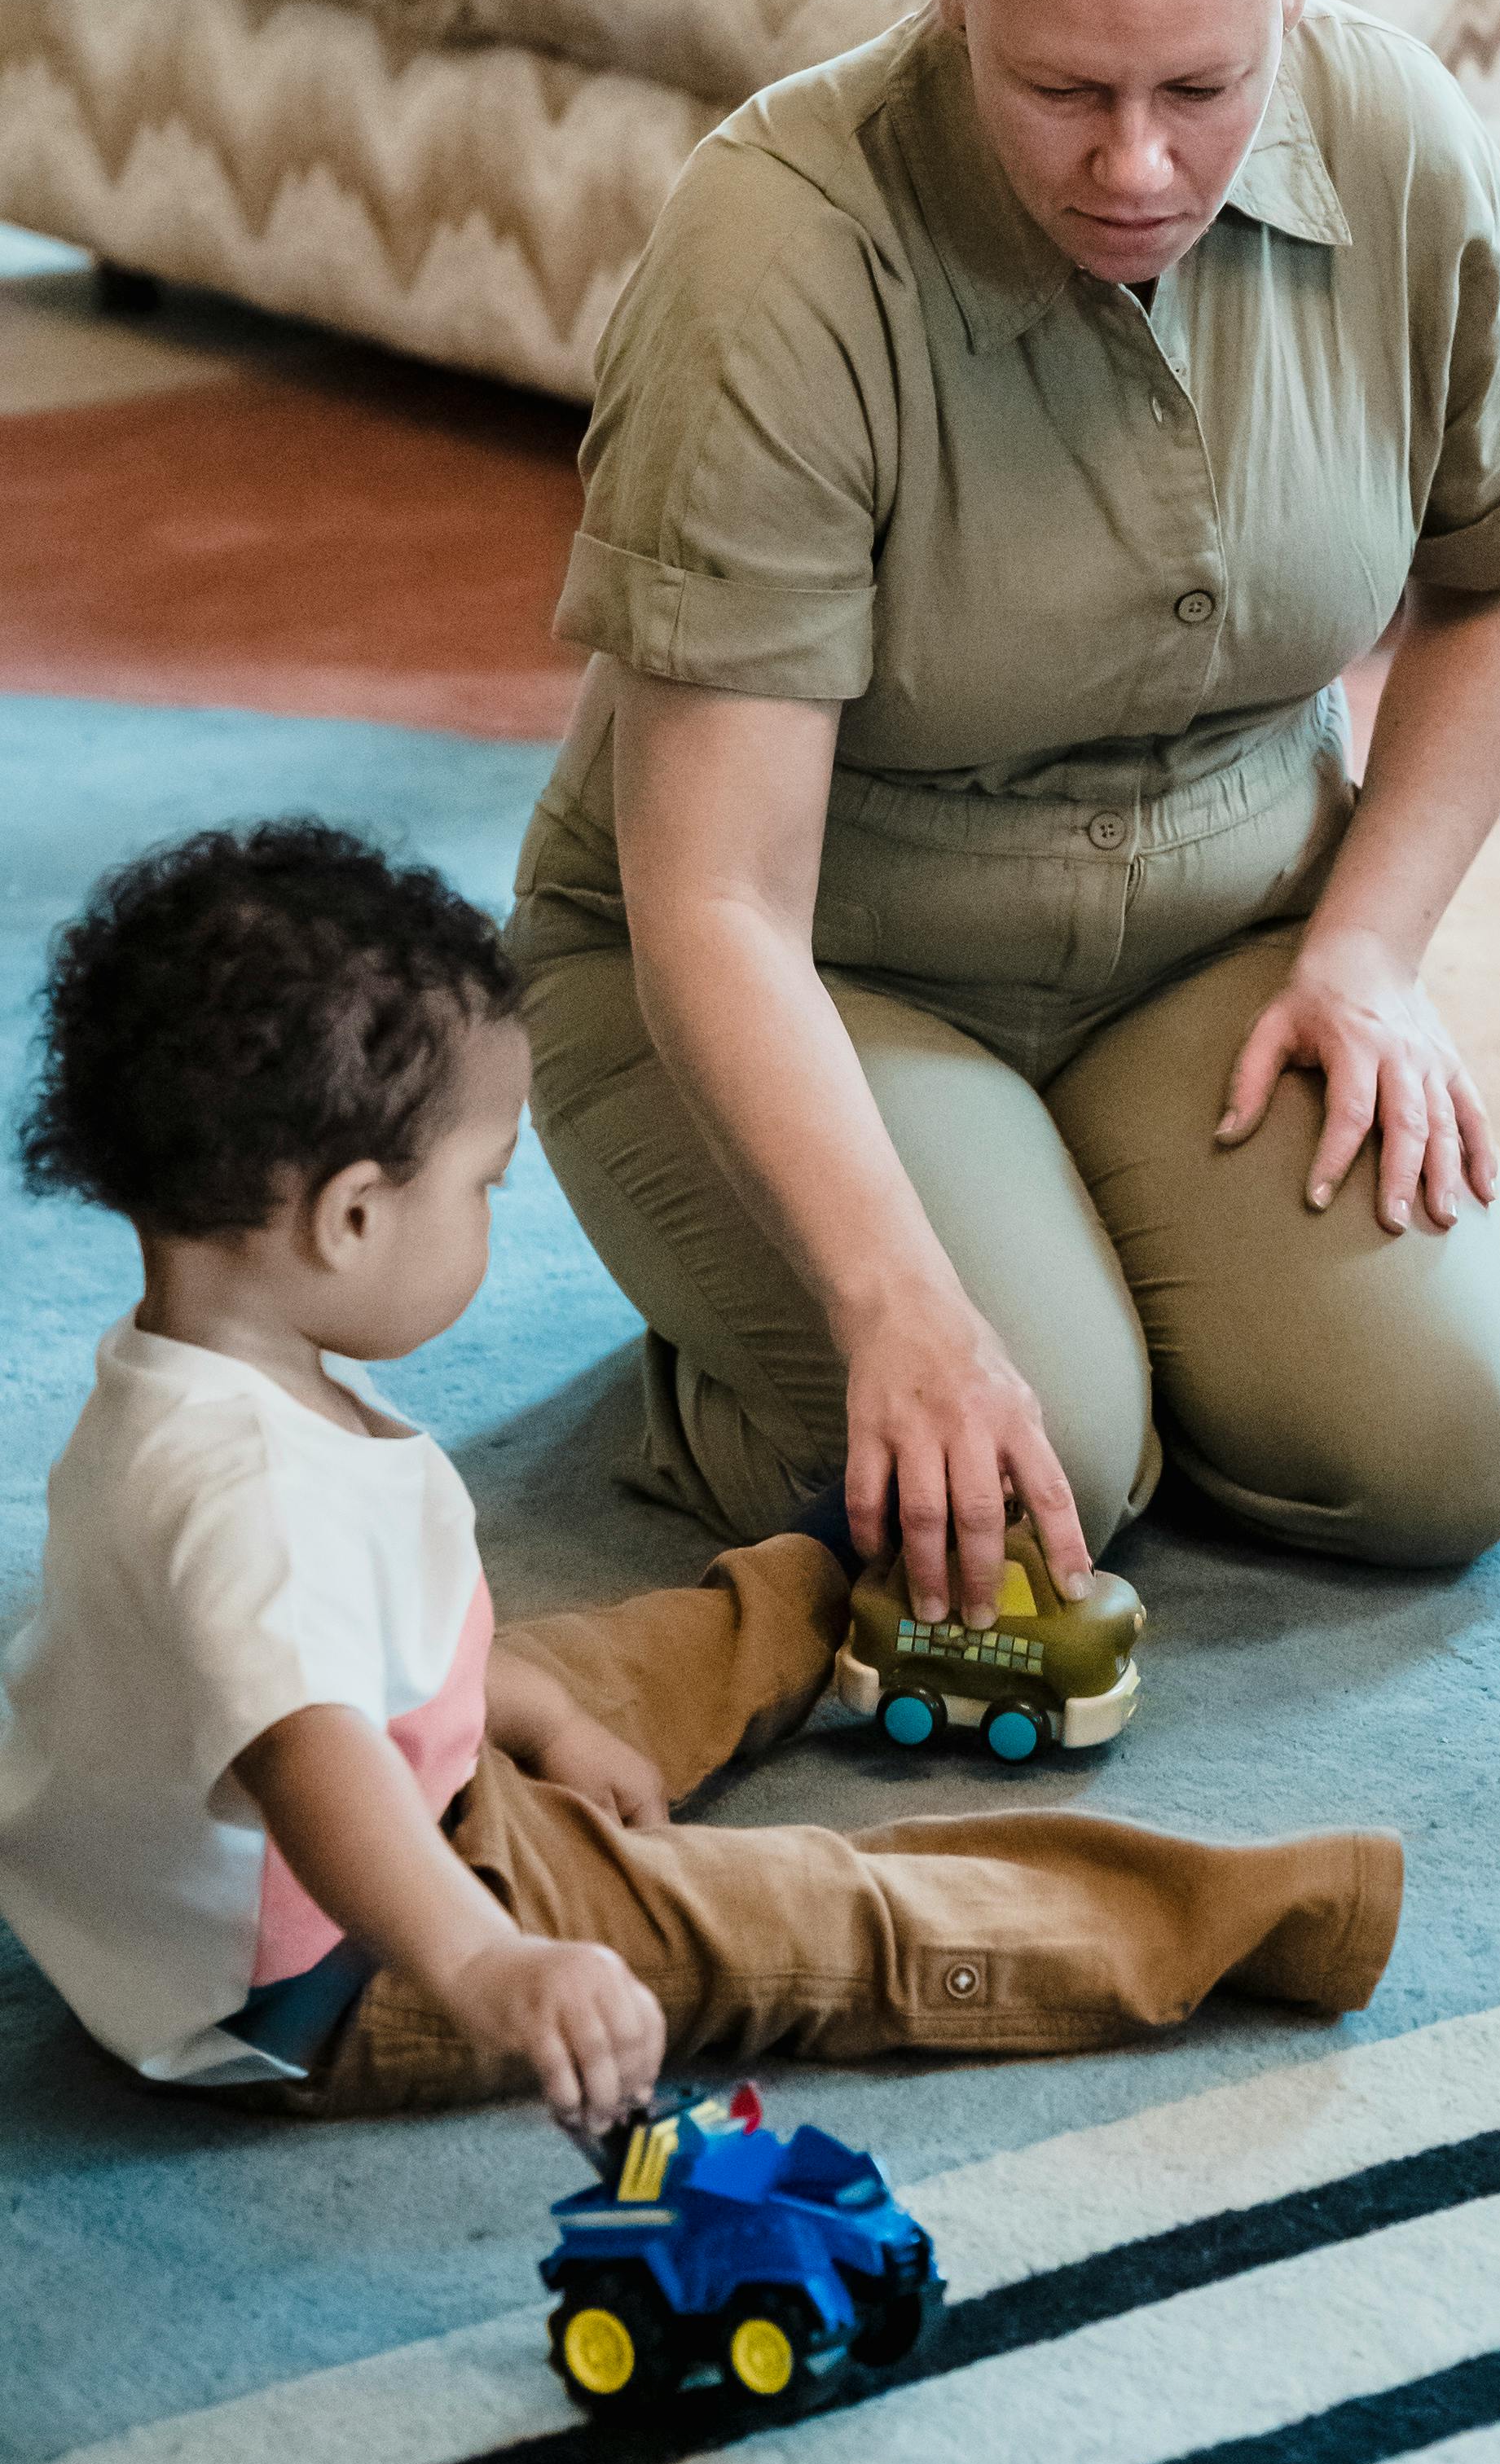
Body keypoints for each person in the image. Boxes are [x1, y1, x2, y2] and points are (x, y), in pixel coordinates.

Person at [514, 0, 1500, 1636]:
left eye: (1201, 88)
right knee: (1039, 1493)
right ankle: (752, 1360)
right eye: (1060, 90)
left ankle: (1090, 1271)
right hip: (822, 962)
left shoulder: (1395, 131)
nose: (1136, 167)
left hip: (1214, 935)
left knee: (1440, 1451)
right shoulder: (773, 248)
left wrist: (1368, 951)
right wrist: (887, 1304)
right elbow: (716, 899)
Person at [0, 824, 1399, 2126]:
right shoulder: (239, 1497)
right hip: (336, 1965)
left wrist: (534, 1711)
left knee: (631, 1657)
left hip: (351, 1803)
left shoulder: (204, 1371)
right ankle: (1243, 1921)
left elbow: (366, 1660)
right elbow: (318, 1775)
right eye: (485, 1184)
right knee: (792, 1919)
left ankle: (834, 1584)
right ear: (355, 1215)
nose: (494, 1210)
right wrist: (493, 1966)